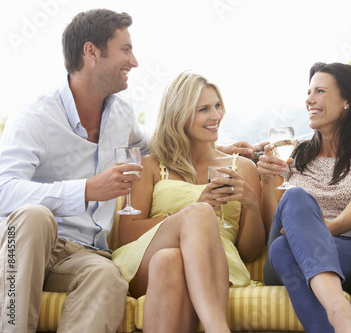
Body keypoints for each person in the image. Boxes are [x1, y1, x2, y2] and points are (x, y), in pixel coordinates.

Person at [0, 9, 148, 332]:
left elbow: (158, 146)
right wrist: (85, 190)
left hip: (82, 254)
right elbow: (3, 192)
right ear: (91, 52)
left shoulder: (122, 115)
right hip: (22, 245)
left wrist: (224, 150)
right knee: (35, 216)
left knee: (108, 276)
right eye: (125, 50)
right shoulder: (35, 116)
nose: (134, 61)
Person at [111, 70, 266, 332]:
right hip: (144, 258)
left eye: (217, 106)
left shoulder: (243, 168)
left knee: (169, 261)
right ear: (179, 114)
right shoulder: (150, 165)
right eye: (203, 109)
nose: (216, 115)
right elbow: (127, 233)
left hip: (215, 261)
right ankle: (218, 327)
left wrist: (251, 203)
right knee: (199, 214)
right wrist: (185, 218)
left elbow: (250, 252)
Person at [257, 62, 351, 333]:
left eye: (319, 91)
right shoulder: (292, 153)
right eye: (309, 92)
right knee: (295, 198)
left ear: (348, 101)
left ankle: (336, 319)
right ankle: (341, 312)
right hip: (282, 256)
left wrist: (314, 232)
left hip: (348, 250)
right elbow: (272, 223)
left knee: (284, 249)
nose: (309, 100)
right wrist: (264, 182)